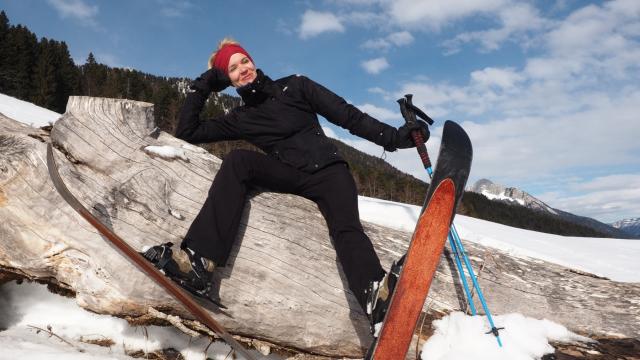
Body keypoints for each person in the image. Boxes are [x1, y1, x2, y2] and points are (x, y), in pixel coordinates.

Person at [142, 38, 429, 333]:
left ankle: (375, 297)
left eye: (243, 60)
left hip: (330, 172)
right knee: (238, 160)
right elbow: (187, 131)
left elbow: (348, 116)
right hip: (291, 176)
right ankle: (199, 264)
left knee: (346, 229)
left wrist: (394, 138)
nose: (243, 69)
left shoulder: (296, 86)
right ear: (225, 79)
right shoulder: (240, 117)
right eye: (231, 69)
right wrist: (205, 83)